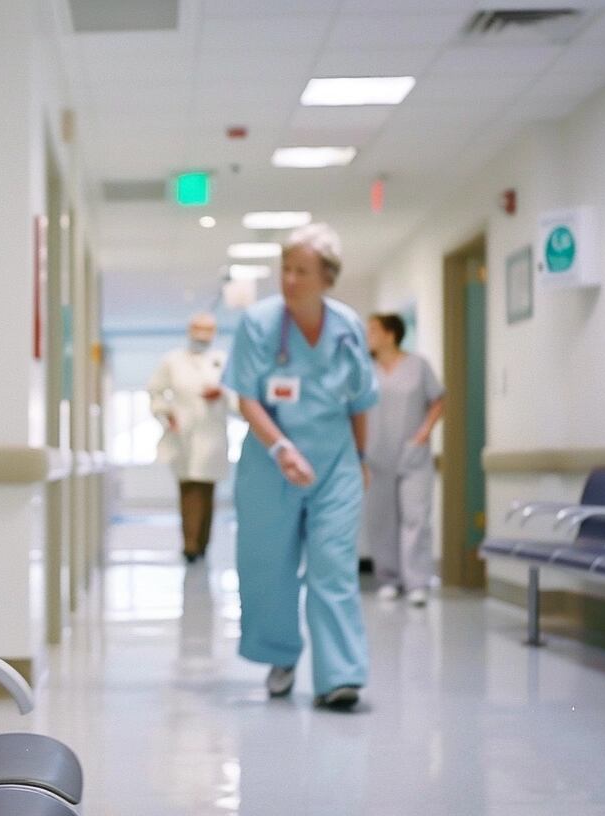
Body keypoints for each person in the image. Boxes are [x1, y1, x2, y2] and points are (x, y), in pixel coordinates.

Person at [223, 223, 378, 711]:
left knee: (333, 567)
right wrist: (282, 450)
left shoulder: (348, 326)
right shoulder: (259, 323)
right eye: (285, 269)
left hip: (335, 464)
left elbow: (360, 399)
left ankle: (340, 676)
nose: (289, 280)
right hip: (271, 464)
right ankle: (281, 655)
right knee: (269, 566)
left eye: (301, 271)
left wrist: (360, 457)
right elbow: (246, 397)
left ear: (327, 278)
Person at [363, 313, 445, 607]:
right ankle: (389, 578)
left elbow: (438, 400)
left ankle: (417, 582)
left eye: (373, 330)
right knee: (381, 519)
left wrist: (423, 433)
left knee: (416, 517)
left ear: (390, 334)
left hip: (413, 453)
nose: (368, 335)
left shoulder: (418, 366)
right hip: (376, 454)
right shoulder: (365, 369)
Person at [148, 313, 231, 564]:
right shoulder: (173, 361)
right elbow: (156, 392)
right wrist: (166, 415)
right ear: (190, 330)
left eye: (209, 330)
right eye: (199, 329)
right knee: (189, 490)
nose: (203, 335)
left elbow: (238, 397)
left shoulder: (222, 360)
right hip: (184, 436)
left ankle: (202, 543)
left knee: (208, 491)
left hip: (213, 435)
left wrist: (222, 393)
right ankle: (191, 545)